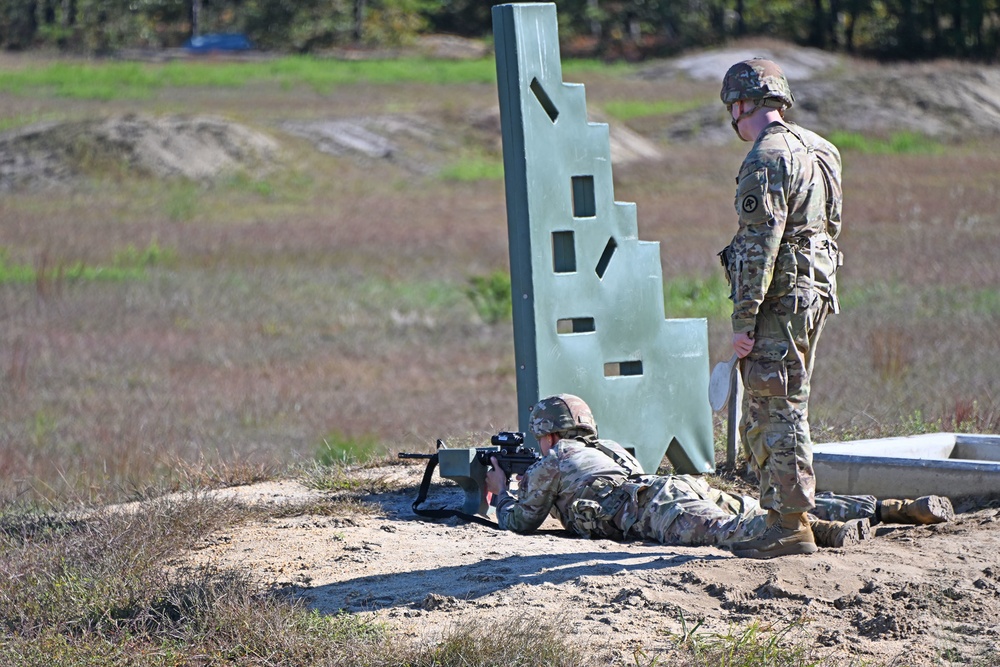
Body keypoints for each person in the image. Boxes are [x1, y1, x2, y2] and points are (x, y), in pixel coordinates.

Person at [485, 394, 953, 555]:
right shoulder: (605, 448)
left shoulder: (554, 459)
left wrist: (501, 492)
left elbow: (520, 523)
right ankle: (892, 508)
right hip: (672, 487)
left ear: (547, 434)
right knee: (763, 506)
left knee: (731, 532)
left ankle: (827, 532)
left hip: (652, 507)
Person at [717, 59, 846, 559]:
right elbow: (830, 226)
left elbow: (759, 245)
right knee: (788, 398)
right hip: (814, 291)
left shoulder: (765, 158)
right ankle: (782, 515)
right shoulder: (823, 149)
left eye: (734, 108)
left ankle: (790, 525)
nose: (734, 118)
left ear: (745, 104)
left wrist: (743, 322)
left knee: (775, 405)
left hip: (778, 299)